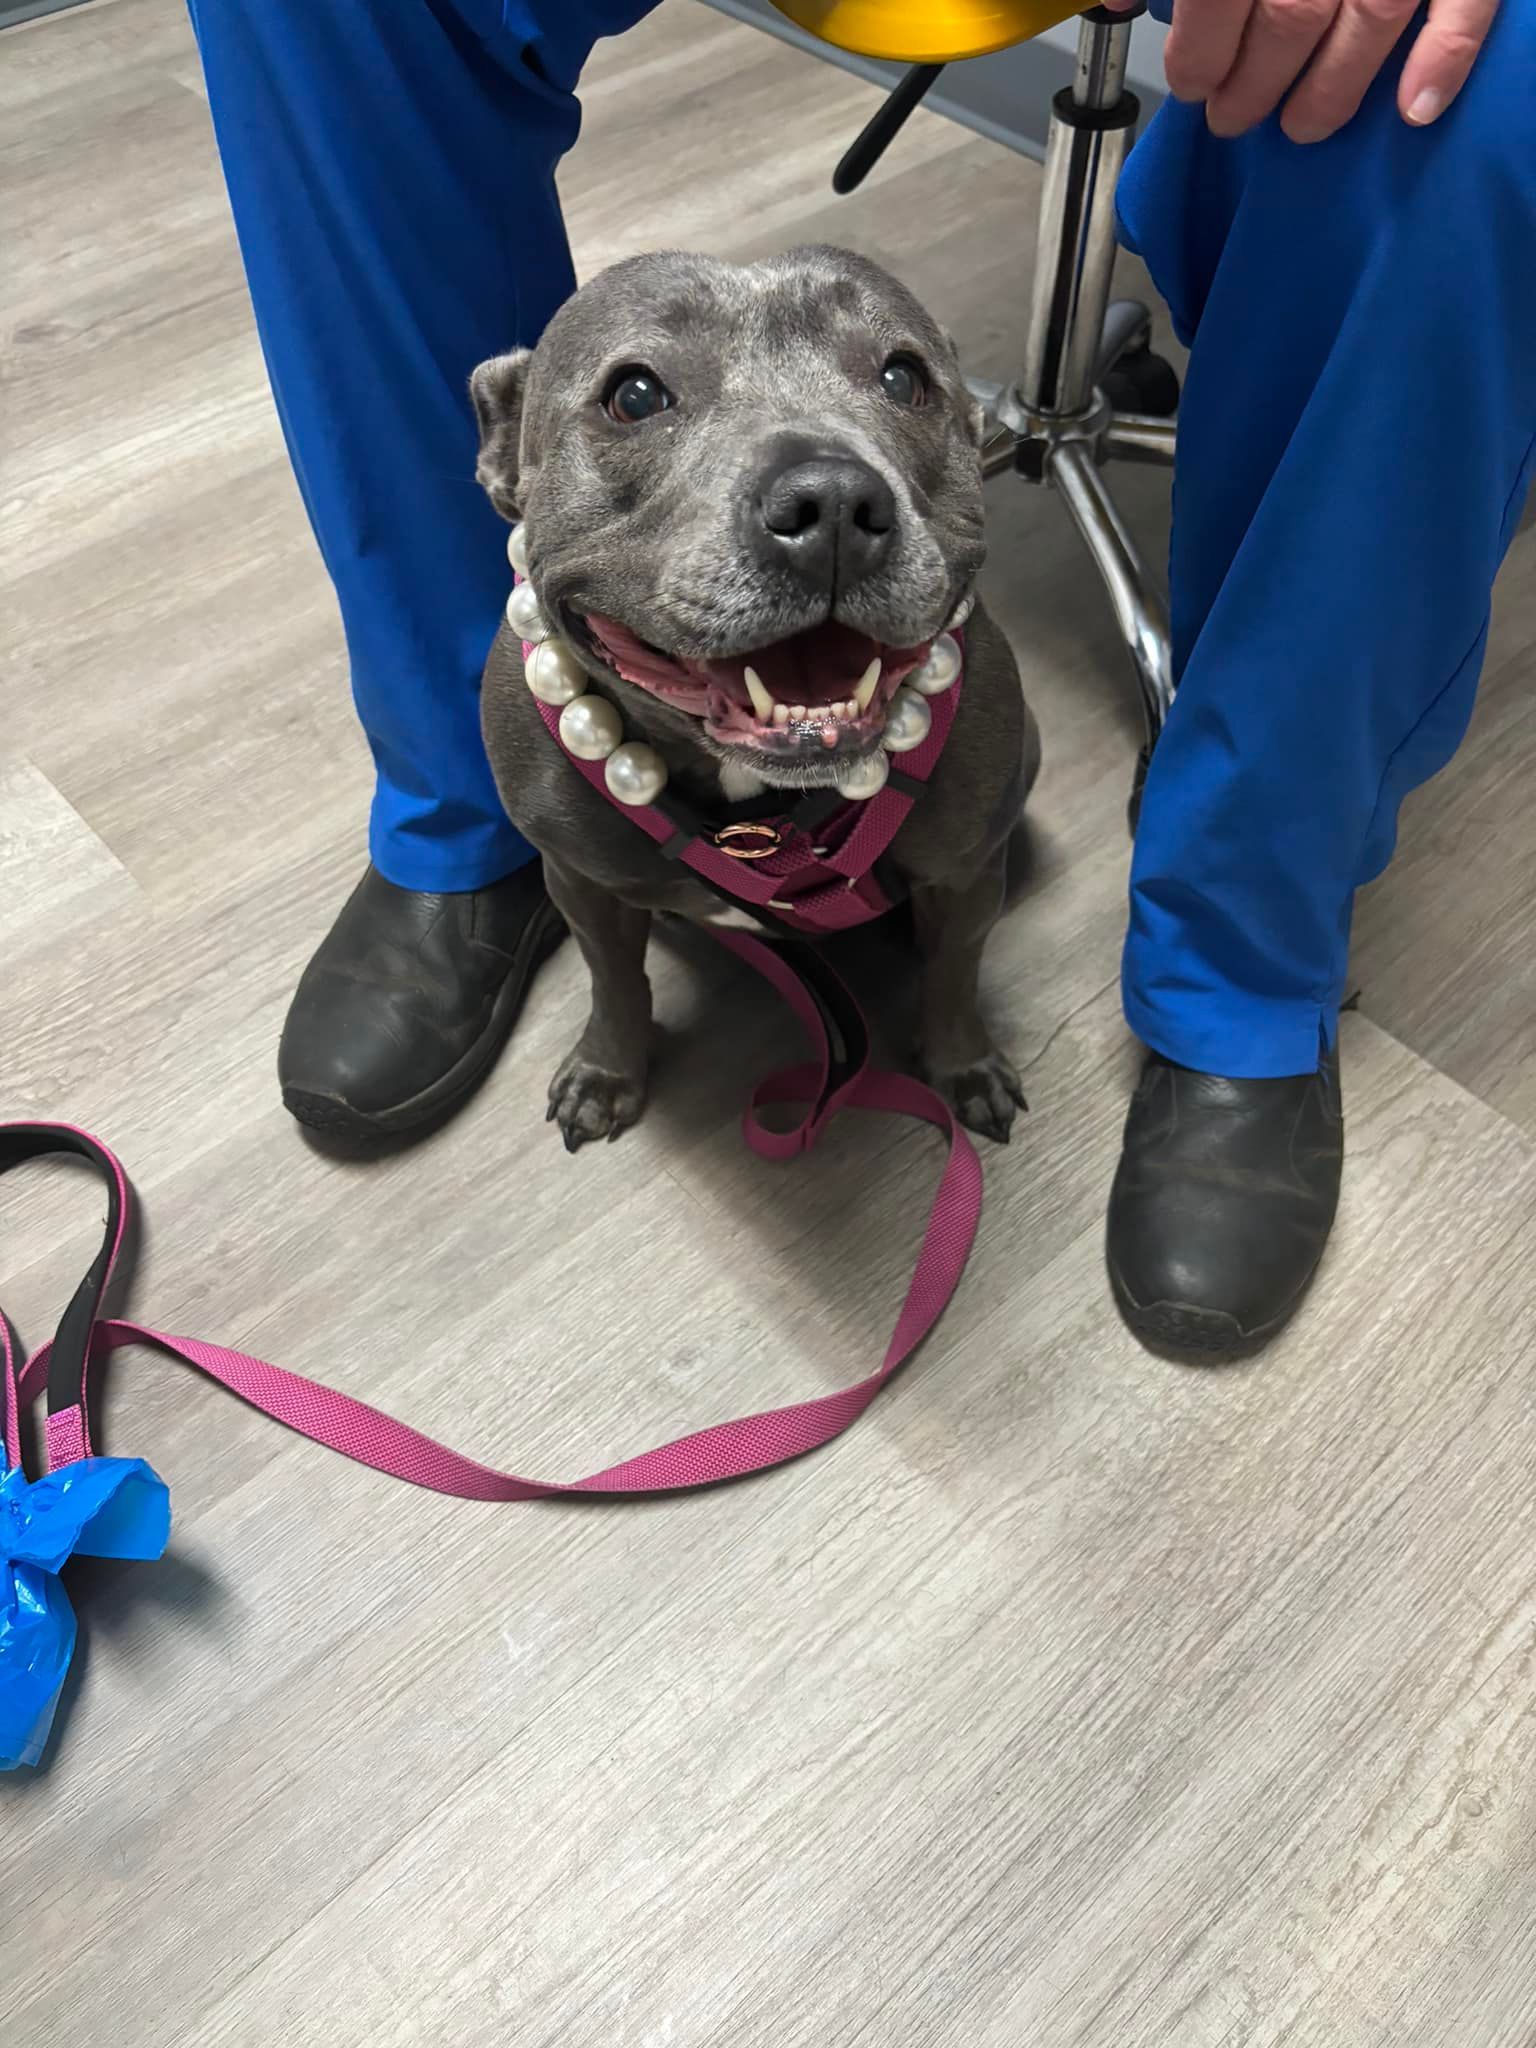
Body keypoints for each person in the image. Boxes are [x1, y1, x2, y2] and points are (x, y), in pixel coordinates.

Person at [187, 0, 1534, 1357]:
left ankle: (1245, 937)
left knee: (1468, 75)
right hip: (583, 755)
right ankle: (465, 808)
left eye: (897, 382)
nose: (823, 491)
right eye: (639, 398)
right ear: (504, 451)